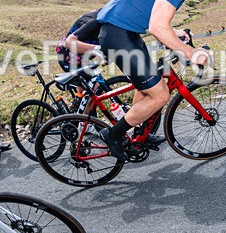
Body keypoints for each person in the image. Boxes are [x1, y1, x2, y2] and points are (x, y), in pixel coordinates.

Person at [96, 0, 220, 160]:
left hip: (125, 33)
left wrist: (176, 33)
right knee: (160, 95)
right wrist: (190, 53)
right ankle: (113, 135)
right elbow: (157, 27)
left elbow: (155, 17)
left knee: (147, 88)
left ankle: (139, 132)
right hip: (119, 36)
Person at [59, 10, 166, 147]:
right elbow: (69, 43)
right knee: (95, 87)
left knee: (89, 91)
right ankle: (81, 127)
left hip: (85, 56)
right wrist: (98, 48)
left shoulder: (113, 20)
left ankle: (84, 118)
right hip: (68, 56)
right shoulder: (95, 22)